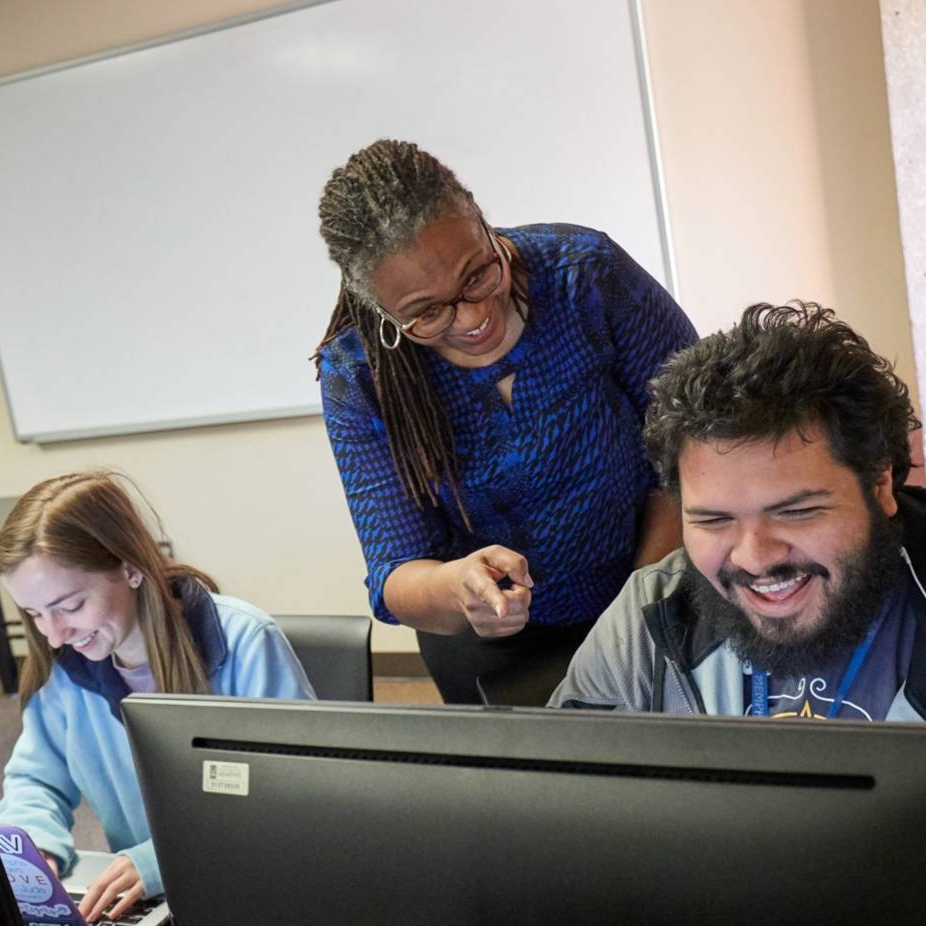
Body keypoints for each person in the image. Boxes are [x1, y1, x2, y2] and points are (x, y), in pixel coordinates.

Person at [315, 139, 697, 703]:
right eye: (427, 313)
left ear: (480, 216)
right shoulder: (359, 373)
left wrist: (640, 604)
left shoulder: (583, 275)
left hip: (652, 588)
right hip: (494, 647)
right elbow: (396, 572)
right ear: (379, 306)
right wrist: (459, 587)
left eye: (477, 274)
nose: (473, 317)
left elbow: (696, 438)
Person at [549, 302, 926, 720]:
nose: (755, 559)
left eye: (795, 512)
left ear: (879, 485)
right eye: (714, 520)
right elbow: (556, 763)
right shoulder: (647, 620)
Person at [0, 472, 316, 923]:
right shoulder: (65, 672)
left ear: (130, 568)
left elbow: (288, 795)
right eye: (34, 613)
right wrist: (34, 852)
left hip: (257, 890)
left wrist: (158, 860)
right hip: (158, 903)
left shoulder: (246, 641)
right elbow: (37, 780)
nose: (53, 636)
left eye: (70, 607)